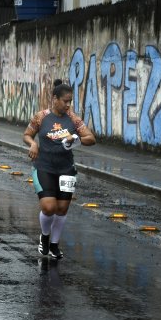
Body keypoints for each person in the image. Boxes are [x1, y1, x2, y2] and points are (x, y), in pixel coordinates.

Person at [23, 81, 96, 259]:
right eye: (65, 101)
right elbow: (26, 135)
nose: (68, 105)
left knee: (62, 209)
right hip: (44, 167)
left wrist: (76, 137)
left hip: (66, 169)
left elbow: (91, 138)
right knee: (49, 207)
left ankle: (54, 245)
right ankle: (45, 237)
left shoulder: (73, 119)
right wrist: (33, 144)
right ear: (54, 99)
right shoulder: (41, 117)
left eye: (70, 101)